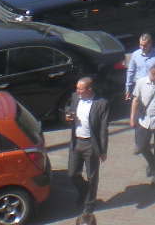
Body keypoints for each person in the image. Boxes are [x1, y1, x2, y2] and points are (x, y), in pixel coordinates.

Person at [66, 77, 110, 218]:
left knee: (92, 175)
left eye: (81, 89)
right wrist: (67, 116)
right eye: (77, 88)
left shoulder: (101, 103)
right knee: (72, 173)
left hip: (91, 144)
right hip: (76, 142)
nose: (77, 91)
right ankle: (84, 191)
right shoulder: (75, 97)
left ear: (89, 89)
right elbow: (68, 108)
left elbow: (103, 128)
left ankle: (90, 203)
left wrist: (103, 150)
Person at [125, 33, 155, 101]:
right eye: (141, 45)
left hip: (153, 89)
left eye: (145, 45)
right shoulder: (135, 55)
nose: (142, 47)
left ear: (150, 44)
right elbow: (131, 72)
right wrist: (128, 88)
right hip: (138, 89)